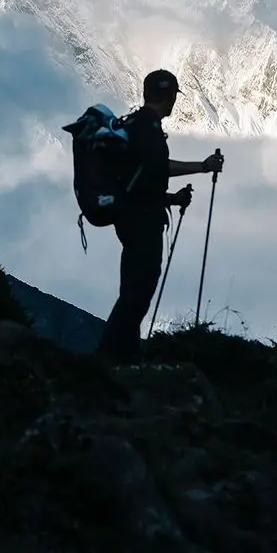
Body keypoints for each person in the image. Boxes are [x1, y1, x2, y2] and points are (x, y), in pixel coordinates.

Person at [96, 69, 224, 364]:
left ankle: (121, 355)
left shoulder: (133, 125)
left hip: (130, 217)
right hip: (142, 222)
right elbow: (159, 168)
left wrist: (171, 199)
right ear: (169, 97)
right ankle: (110, 358)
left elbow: (140, 179)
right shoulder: (148, 130)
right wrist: (203, 167)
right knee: (138, 291)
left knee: (132, 287)